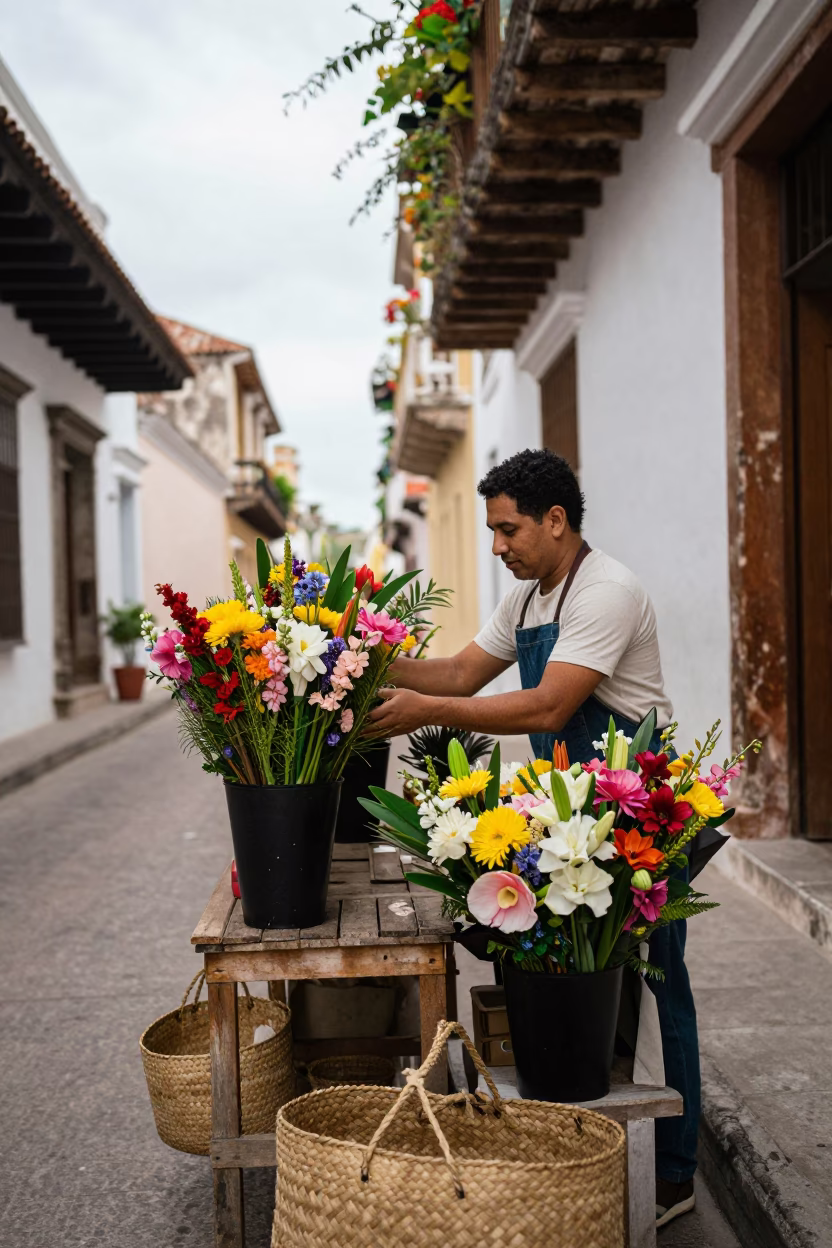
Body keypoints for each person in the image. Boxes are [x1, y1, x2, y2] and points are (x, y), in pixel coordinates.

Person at [368, 448, 699, 1229]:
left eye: (508, 528)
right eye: (491, 530)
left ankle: (676, 1172)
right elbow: (455, 673)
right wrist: (361, 660)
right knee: (585, 991)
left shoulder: (607, 591)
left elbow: (551, 707)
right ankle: (588, 1153)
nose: (498, 546)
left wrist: (425, 713)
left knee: (658, 990)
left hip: (638, 820)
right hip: (571, 819)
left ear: (557, 521)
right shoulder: (527, 600)